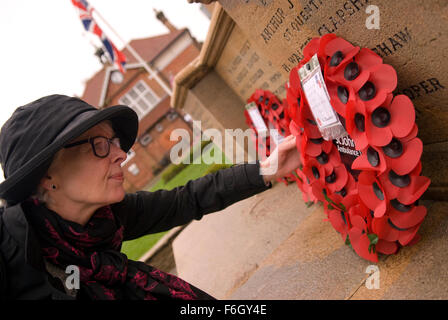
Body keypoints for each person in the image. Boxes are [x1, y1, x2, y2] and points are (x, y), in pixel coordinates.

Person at [0, 94, 300, 300]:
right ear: (47, 174)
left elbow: (188, 199)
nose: (121, 155)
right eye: (99, 145)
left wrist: (268, 168)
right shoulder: (9, 253)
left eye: (114, 142)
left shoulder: (107, 217)